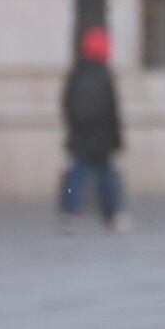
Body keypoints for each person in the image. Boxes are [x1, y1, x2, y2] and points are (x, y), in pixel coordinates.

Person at [58, 29, 129, 233]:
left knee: (76, 175)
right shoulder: (105, 75)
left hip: (80, 136)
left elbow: (67, 103)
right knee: (106, 178)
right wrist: (117, 139)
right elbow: (112, 111)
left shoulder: (76, 72)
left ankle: (70, 213)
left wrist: (74, 128)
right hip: (102, 139)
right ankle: (113, 215)